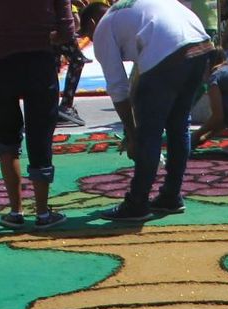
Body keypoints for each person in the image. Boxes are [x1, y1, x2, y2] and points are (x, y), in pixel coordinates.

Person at [84, 0, 215, 222]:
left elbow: (118, 87)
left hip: (169, 52)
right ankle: (171, 196)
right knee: (178, 123)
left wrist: (132, 133)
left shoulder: (104, 27)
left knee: (149, 132)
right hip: (201, 47)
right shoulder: (128, 10)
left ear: (92, 23)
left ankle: (137, 203)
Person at [0, 0, 77, 229]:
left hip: (1, 62)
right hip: (39, 61)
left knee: (6, 137)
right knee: (40, 135)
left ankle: (16, 211)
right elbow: (67, 29)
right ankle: (42, 213)